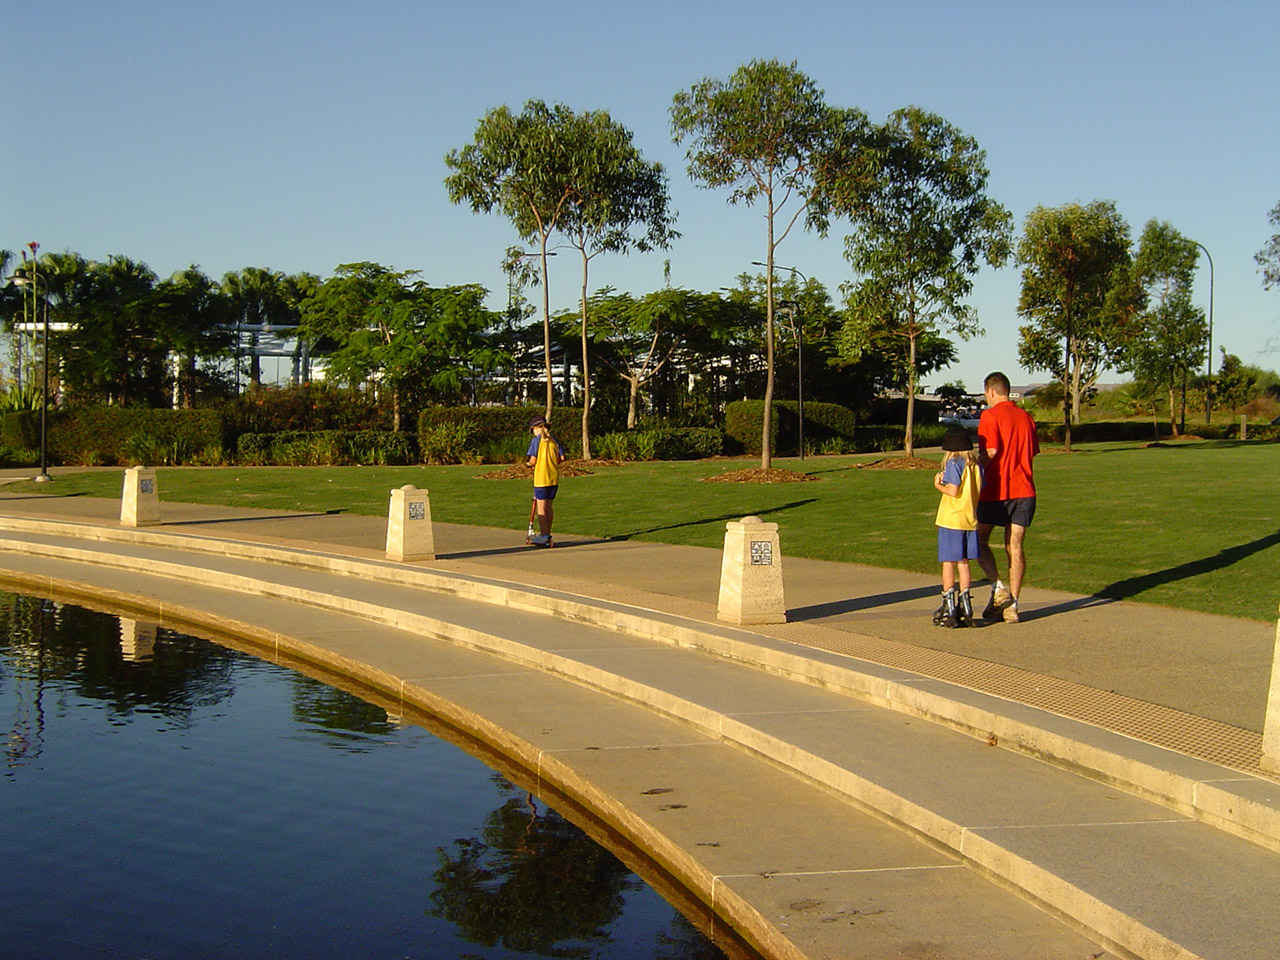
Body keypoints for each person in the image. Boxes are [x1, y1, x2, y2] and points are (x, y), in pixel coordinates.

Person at [975, 371, 1039, 623]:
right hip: (1024, 490)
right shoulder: (1026, 417)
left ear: (990, 391)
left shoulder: (989, 416)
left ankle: (998, 588)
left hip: (995, 491)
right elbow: (1032, 451)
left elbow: (990, 451)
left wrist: (971, 470)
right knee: (1015, 546)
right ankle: (1013, 605)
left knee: (977, 539)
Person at [932, 425, 982, 628]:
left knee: (948, 563)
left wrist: (938, 484)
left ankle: (949, 604)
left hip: (951, 519)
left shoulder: (954, 463)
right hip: (969, 518)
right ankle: (965, 602)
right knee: (964, 562)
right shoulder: (975, 465)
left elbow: (952, 491)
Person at [526, 414, 564, 547]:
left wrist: (528, 464)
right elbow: (562, 458)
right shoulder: (554, 440)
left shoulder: (537, 441)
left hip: (541, 478)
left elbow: (533, 460)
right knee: (549, 505)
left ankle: (543, 535)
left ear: (537, 428)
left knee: (541, 506)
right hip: (553, 478)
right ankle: (547, 533)